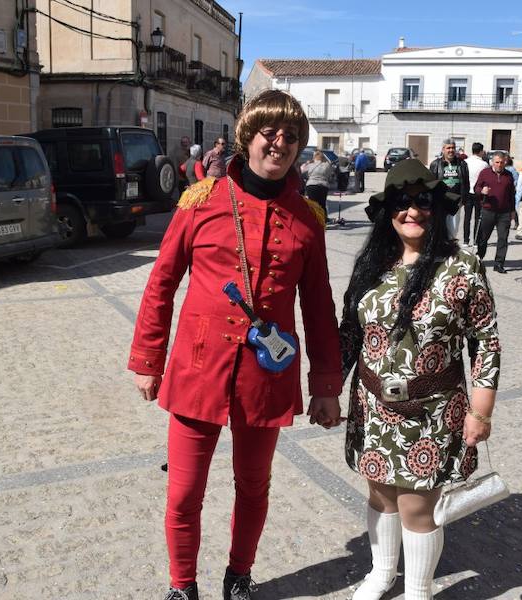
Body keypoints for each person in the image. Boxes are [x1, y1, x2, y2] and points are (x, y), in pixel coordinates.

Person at [129, 89, 343, 600]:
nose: (280, 143)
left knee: (253, 486)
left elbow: (318, 308)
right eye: (270, 133)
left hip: (265, 376)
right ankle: (183, 586)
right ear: (248, 137)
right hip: (198, 368)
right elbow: (162, 281)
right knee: (183, 493)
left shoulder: (307, 220)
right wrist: (147, 359)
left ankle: (239, 574)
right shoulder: (199, 203)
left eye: (292, 137)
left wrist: (327, 385)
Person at [340, 158, 501, 600]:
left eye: (422, 202)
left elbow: (485, 342)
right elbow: (349, 335)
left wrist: (481, 412)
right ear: (387, 210)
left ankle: (418, 588)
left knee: (416, 504)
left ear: (438, 207)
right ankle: (382, 572)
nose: (412, 212)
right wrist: (325, 390)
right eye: (402, 203)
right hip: (372, 406)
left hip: (431, 411)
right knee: (380, 494)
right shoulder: (371, 265)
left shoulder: (463, 266)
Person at [474, 151, 516, 273]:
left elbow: (511, 195)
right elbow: (476, 188)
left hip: (504, 212)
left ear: (505, 162)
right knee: (483, 238)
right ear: (492, 162)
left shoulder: (508, 175)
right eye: (497, 162)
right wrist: (482, 191)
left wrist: (513, 210)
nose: (499, 165)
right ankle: (479, 260)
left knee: (503, 238)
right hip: (488, 210)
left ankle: (499, 264)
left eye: (501, 162)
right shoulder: (485, 173)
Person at [429, 138, 470, 240]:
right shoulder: (435, 164)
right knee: (439, 228)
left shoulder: (462, 164)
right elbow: (430, 184)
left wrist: (463, 199)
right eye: (448, 148)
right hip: (440, 201)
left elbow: (466, 183)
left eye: (453, 148)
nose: (451, 150)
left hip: (456, 202)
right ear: (443, 150)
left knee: (453, 230)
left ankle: (450, 251)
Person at [464, 143, 488, 246]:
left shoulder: (465, 162)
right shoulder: (484, 164)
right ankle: (476, 240)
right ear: (481, 151)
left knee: (467, 217)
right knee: (478, 217)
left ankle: (465, 240)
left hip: (467, 192)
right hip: (479, 193)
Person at [301, 150, 336, 219]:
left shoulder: (310, 165)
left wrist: (307, 163)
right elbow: (331, 173)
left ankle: (313, 219)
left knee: (313, 204)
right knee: (322, 204)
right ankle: (323, 220)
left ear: (314, 157)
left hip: (311, 185)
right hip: (323, 185)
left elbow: (302, 170)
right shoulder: (327, 165)